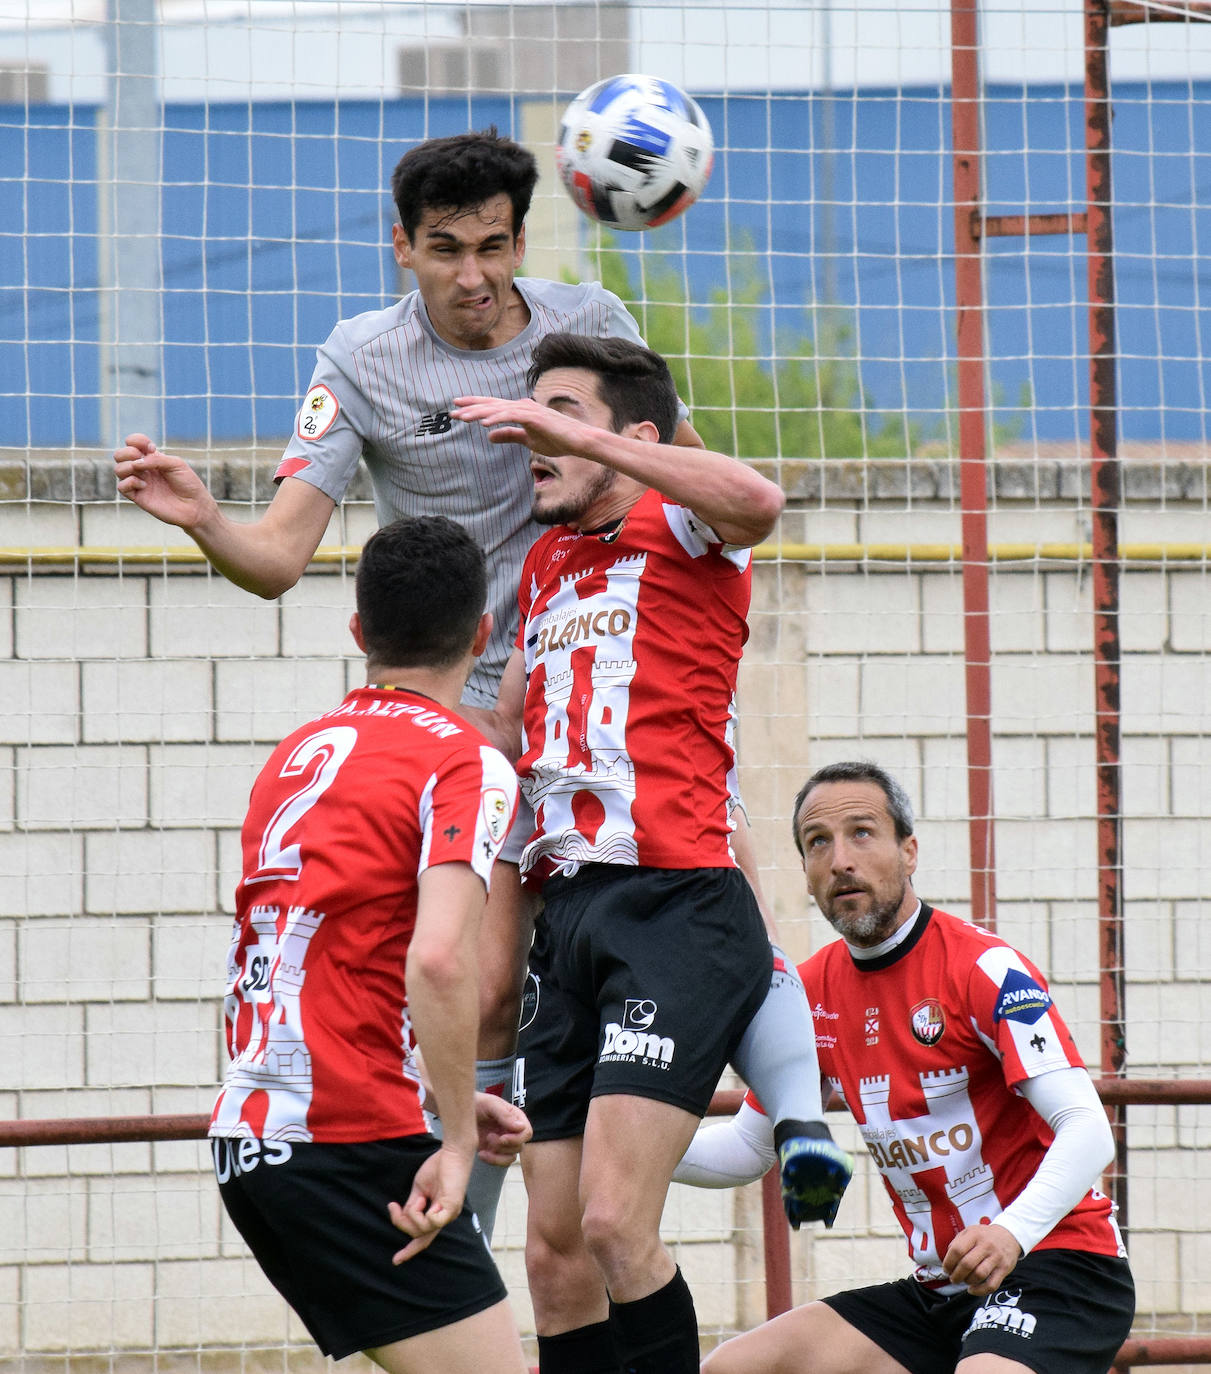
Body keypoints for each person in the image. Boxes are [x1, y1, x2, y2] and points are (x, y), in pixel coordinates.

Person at [111, 126, 820, 1241]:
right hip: (471, 707)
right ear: (402, 247)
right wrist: (207, 520)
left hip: (608, 659)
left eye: (493, 246)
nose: (475, 277)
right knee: (485, 980)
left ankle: (795, 1117)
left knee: (698, 878)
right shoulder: (359, 357)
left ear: (521, 237)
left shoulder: (589, 326)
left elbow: (701, 493)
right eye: (445, 249)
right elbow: (278, 561)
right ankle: (464, 1233)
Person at [454, 333, 853, 1374]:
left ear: (630, 436)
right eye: (526, 416)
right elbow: (506, 729)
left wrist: (607, 444)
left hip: (673, 904)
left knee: (613, 1225)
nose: (529, 436)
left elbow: (757, 501)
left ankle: (797, 1117)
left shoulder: (681, 520)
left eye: (558, 416)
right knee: (554, 1257)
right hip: (566, 920)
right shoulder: (543, 563)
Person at [673, 760, 1135, 1374]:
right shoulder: (805, 995)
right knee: (735, 1368)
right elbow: (747, 1148)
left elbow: (1088, 1128)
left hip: (1057, 1265)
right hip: (941, 1292)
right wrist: (606, 1150)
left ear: (909, 850)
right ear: (807, 874)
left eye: (862, 833)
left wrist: (1010, 1232)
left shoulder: (986, 968)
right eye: (818, 843)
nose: (840, 859)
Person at [209, 515, 531, 1374]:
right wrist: (455, 1140)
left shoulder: (296, 753)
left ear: (358, 632)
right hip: (346, 1140)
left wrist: (438, 1091)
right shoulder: (465, 760)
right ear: (483, 633)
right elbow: (437, 959)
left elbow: (318, 961)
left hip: (251, 1135)